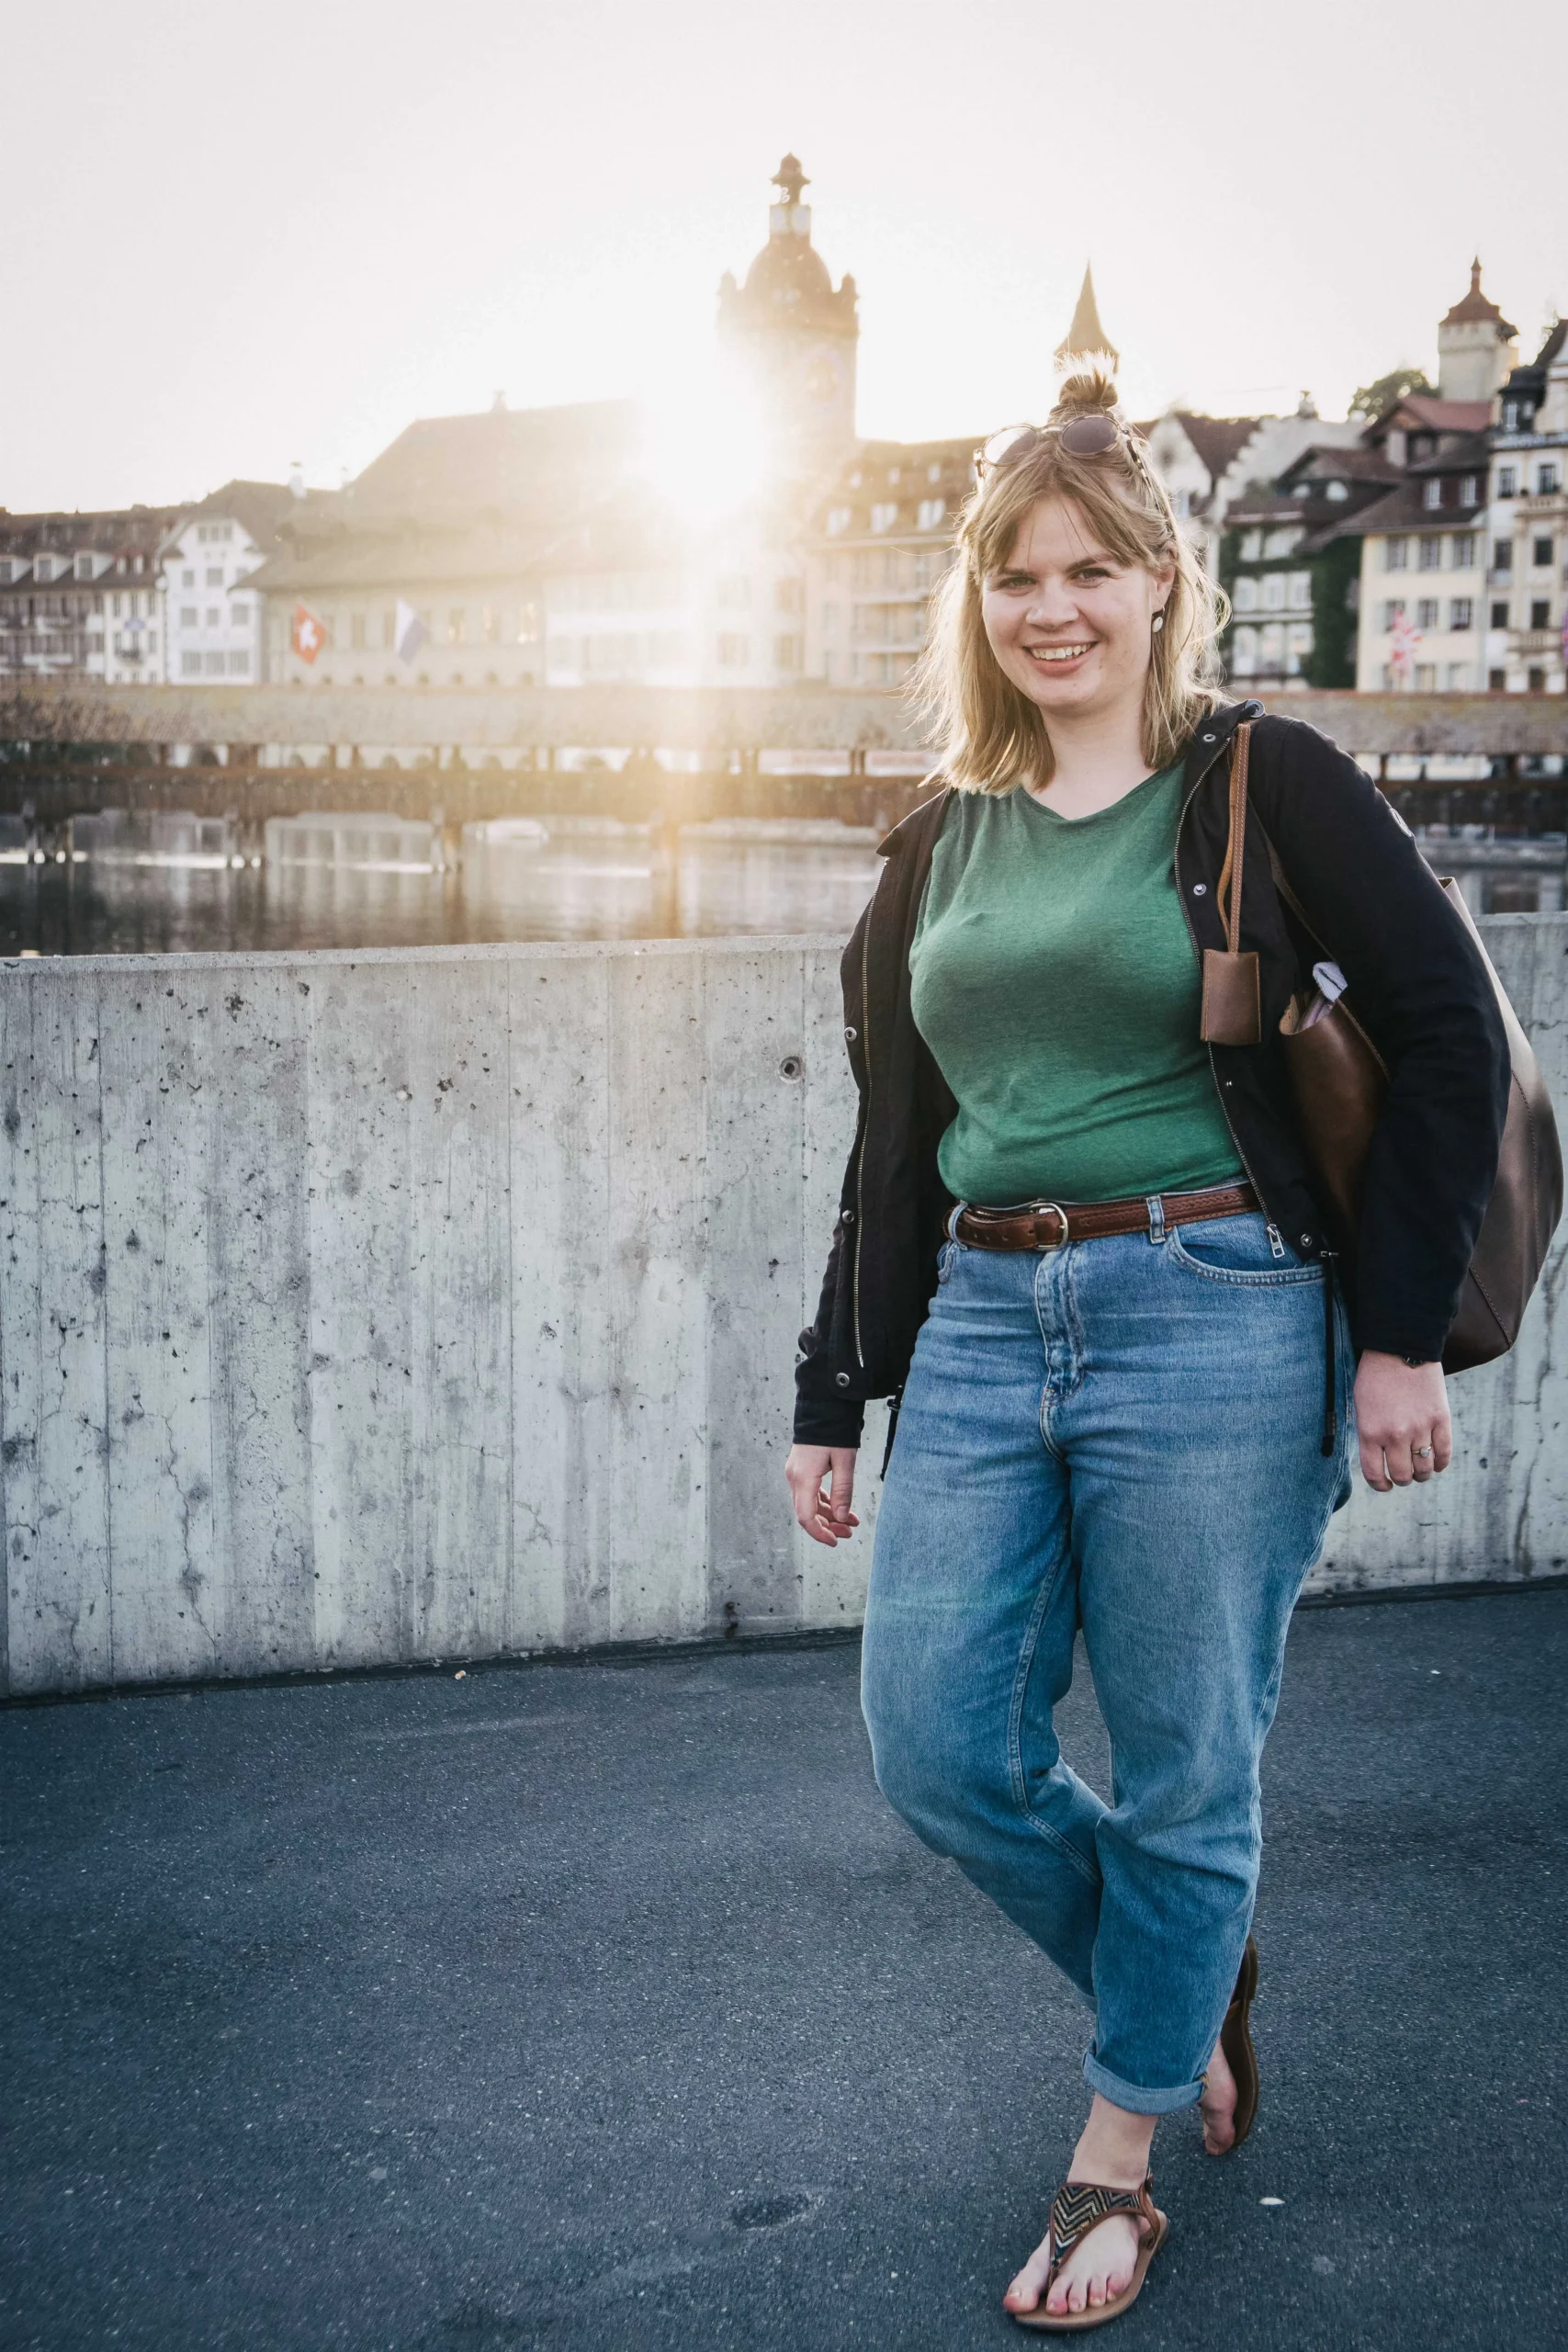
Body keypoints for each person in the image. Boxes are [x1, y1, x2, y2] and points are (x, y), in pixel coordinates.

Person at [784, 372, 1510, 2331]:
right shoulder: (938, 837)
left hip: (1219, 1310)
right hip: (984, 1313)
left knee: (1190, 1760)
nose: (1053, 606)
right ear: (978, 604)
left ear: (1159, 586)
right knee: (934, 1742)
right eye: (1016, 573)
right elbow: (891, 1138)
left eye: (1091, 566)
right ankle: (1183, 1975)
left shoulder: (1262, 779)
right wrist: (831, 1387)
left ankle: (1115, 2164)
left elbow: (1454, 1043)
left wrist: (1392, 1342)